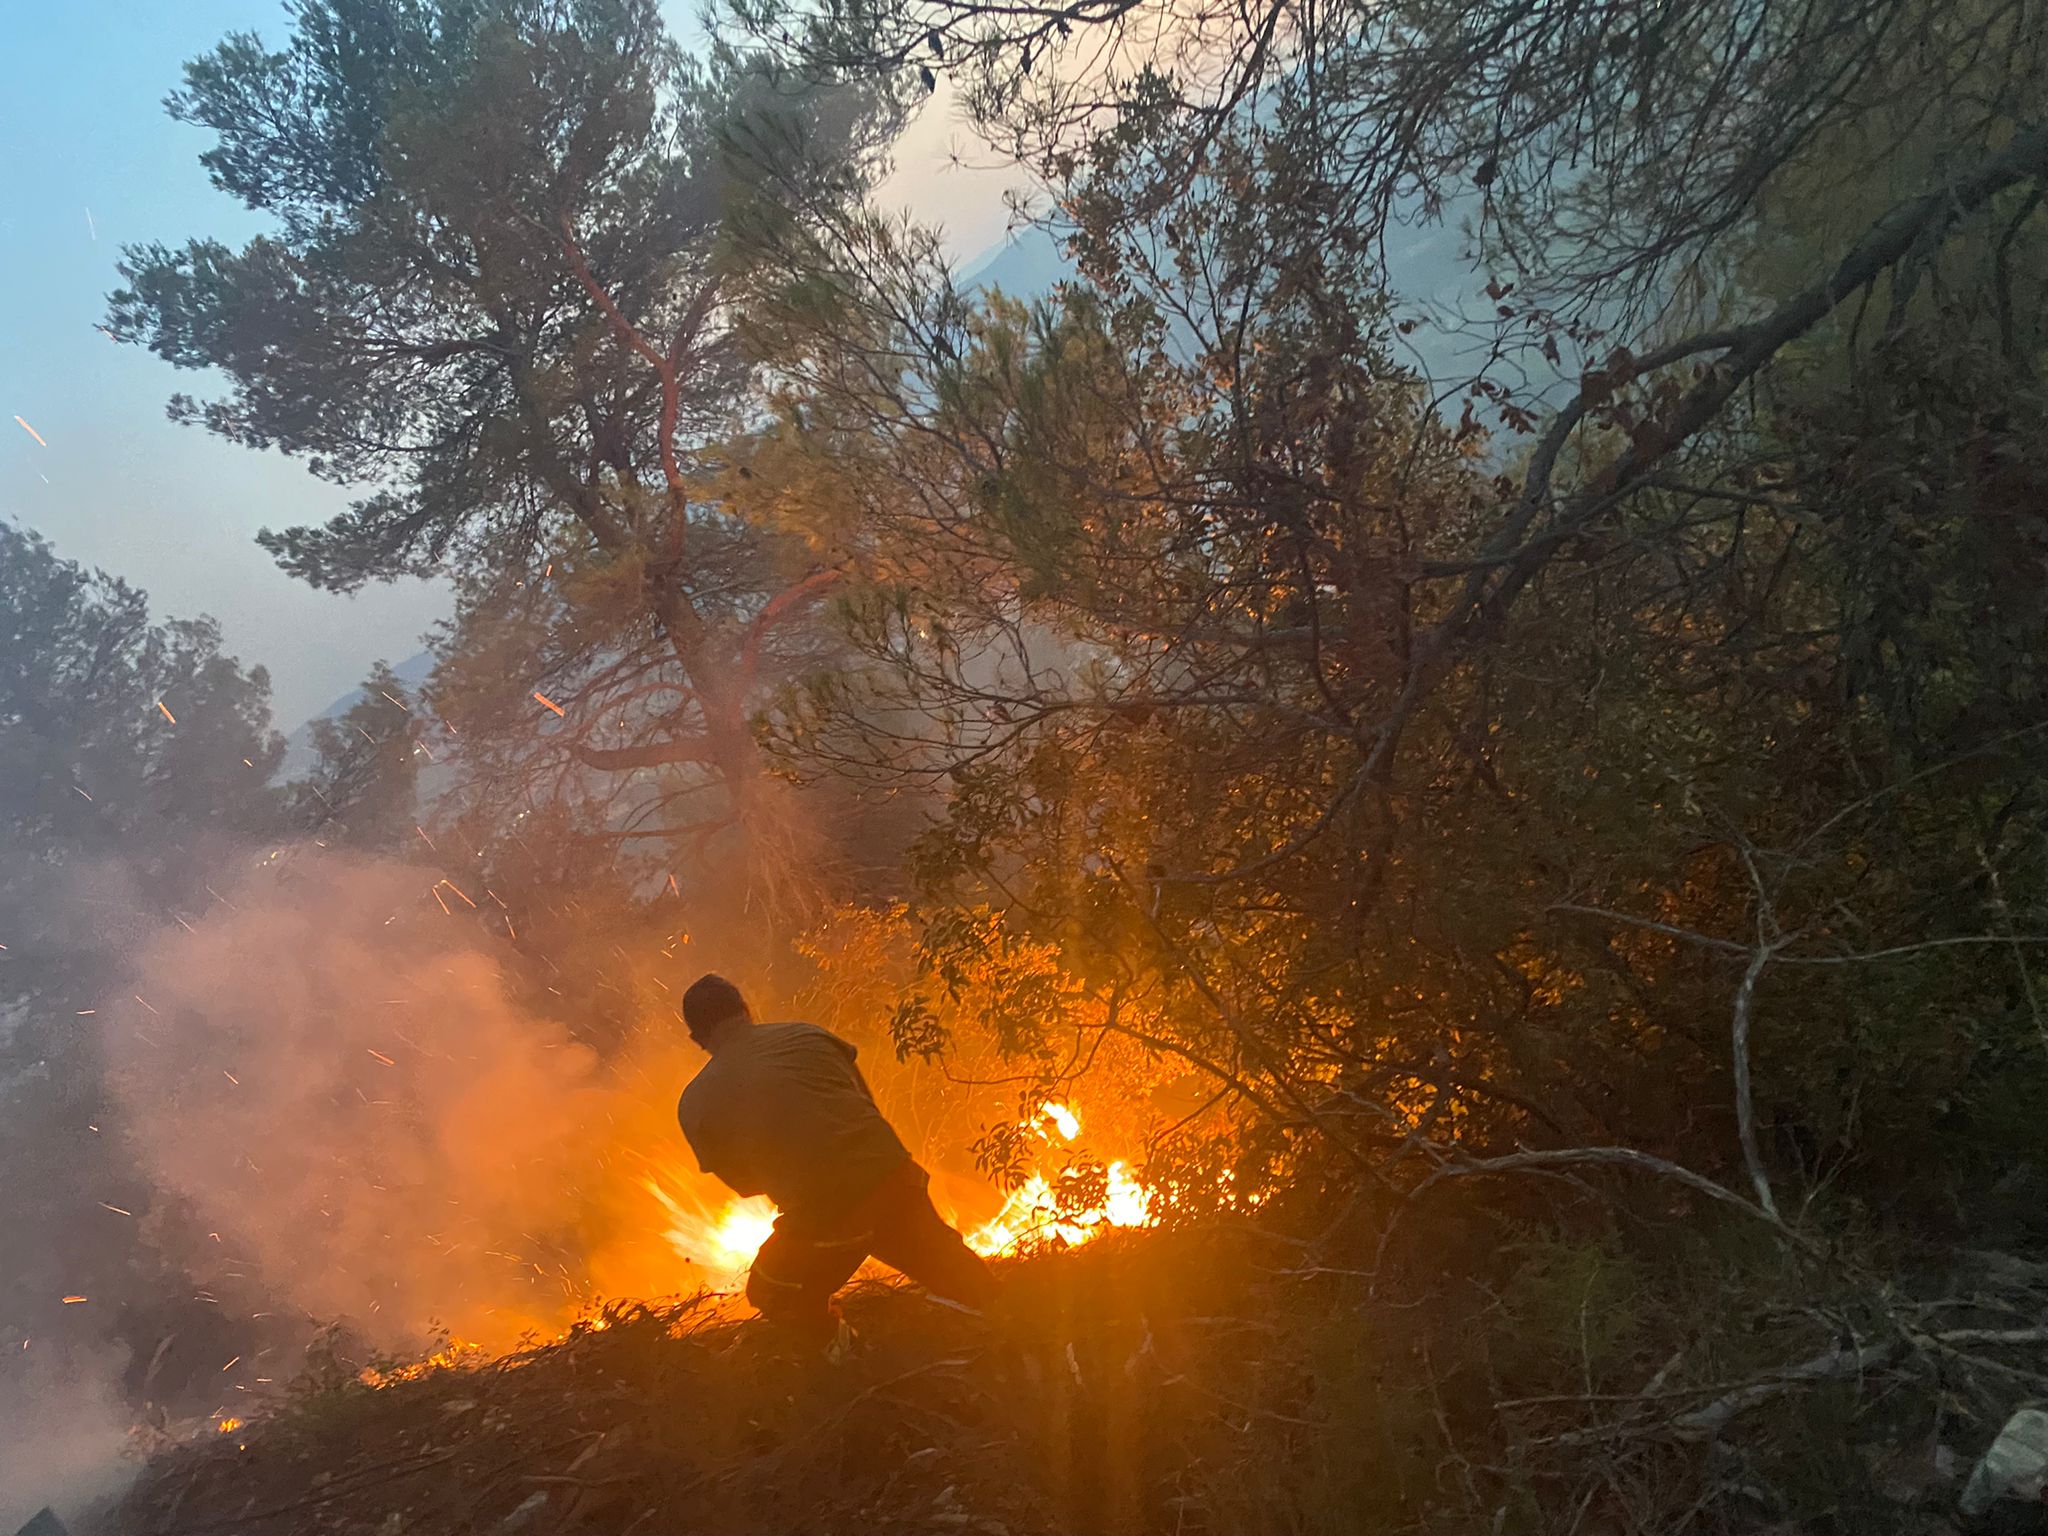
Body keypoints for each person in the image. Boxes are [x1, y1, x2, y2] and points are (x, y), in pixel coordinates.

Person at [674, 973, 999, 1353]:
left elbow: (746, 1184)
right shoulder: (809, 1036)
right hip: (894, 1175)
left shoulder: (695, 1102)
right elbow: (863, 1103)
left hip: (825, 1213)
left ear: (696, 1039)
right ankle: (1016, 1326)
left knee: (771, 1289)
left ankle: (844, 1356)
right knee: (948, 1266)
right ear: (745, 1010)